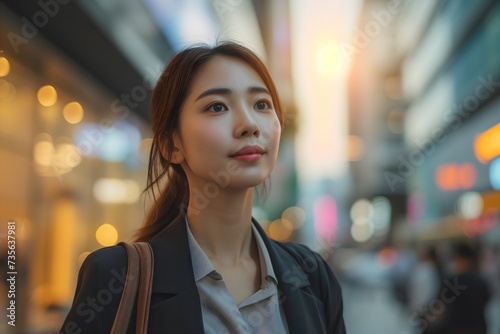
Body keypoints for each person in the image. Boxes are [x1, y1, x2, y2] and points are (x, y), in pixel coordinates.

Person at [60, 41, 346, 334]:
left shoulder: (313, 275)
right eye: (217, 107)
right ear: (172, 145)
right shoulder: (117, 277)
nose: (249, 124)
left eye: (261, 104)